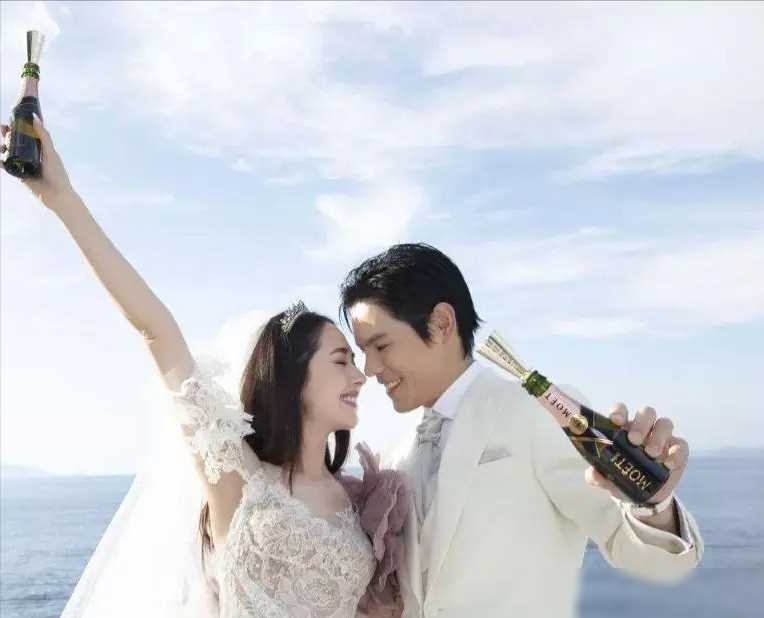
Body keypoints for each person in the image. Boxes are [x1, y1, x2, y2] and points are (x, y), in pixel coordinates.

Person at [1, 117, 407, 618]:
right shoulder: (238, 478)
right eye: (341, 360)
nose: (360, 376)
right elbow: (157, 330)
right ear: (292, 375)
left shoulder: (356, 499)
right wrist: (61, 196)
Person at [339, 243, 705, 618]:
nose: (370, 369)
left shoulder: (536, 413)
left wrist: (654, 506)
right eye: (364, 352)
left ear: (442, 324)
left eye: (381, 345)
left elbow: (647, 553)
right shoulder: (395, 455)